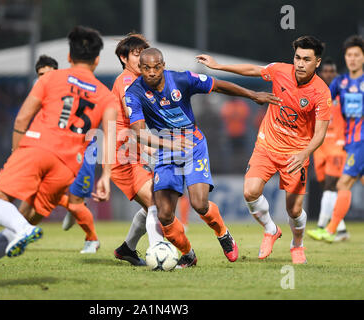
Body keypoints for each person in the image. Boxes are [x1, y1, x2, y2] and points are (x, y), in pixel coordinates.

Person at [0, 25, 117, 288]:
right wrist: (106, 176)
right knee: (20, 220)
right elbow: (108, 136)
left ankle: (25, 231)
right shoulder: (106, 96)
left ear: (68, 56)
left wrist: (18, 153)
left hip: (38, 148)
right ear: (97, 59)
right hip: (66, 168)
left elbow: (21, 118)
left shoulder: (49, 79)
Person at [126, 48, 281, 268]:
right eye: (146, 68)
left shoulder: (181, 79)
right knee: (165, 215)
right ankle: (188, 253)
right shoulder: (134, 92)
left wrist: (253, 95)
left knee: (199, 204)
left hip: (193, 145)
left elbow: (217, 85)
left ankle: (223, 233)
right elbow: (139, 132)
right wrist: (169, 144)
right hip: (165, 151)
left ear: (163, 65)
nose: (151, 72)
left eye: (155, 67)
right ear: (139, 69)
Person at [197, 35, 331, 264]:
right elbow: (252, 69)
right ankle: (270, 229)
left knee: (294, 210)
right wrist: (218, 65)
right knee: (249, 191)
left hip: (296, 155)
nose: (300, 63)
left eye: (306, 59)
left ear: (317, 62)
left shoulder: (321, 93)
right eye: (297, 57)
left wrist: (304, 154)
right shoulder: (280, 70)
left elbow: (320, 133)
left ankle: (297, 245)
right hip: (267, 145)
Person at [18, 54, 101, 254]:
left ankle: (91, 238)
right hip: (54, 148)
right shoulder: (40, 91)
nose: (44, 78)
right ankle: (18, 232)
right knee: (32, 193)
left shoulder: (71, 89)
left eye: (48, 74)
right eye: (40, 75)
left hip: (82, 148)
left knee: (74, 202)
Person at [110, 33, 164, 266]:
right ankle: (159, 255)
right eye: (136, 54)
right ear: (124, 58)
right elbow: (132, 116)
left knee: (155, 202)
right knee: (156, 202)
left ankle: (127, 249)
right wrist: (148, 146)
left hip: (132, 150)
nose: (142, 57)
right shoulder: (126, 81)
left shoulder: (141, 82)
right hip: (123, 153)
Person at [312, 35, 364, 243]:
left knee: (343, 184)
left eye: (356, 55)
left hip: (361, 141)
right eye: (349, 55)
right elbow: (324, 99)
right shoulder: (340, 82)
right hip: (351, 142)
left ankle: (330, 230)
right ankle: (333, 230)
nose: (352, 59)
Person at [307, 58, 349, 242]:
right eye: (327, 71)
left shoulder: (343, 94)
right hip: (320, 145)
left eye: (333, 71)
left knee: (333, 184)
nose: (330, 74)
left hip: (338, 145)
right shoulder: (316, 93)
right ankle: (340, 229)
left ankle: (324, 226)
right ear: (321, 73)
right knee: (326, 185)